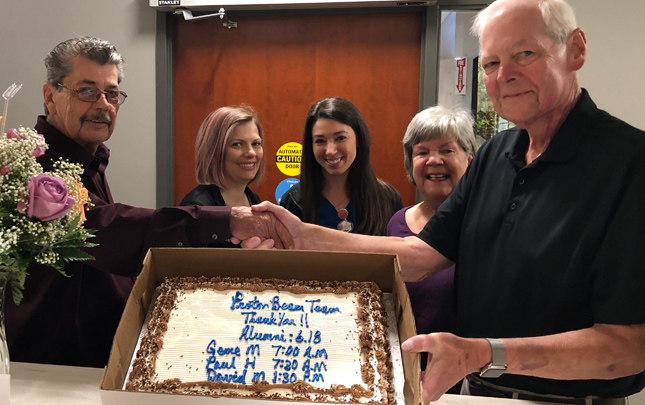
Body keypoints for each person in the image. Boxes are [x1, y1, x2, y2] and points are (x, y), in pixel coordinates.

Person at [242, 1, 645, 403]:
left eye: (525, 53)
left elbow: (630, 346)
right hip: (477, 391)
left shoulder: (629, 163)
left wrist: (486, 353)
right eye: (489, 63)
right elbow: (419, 256)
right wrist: (303, 237)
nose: (505, 75)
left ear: (575, 50)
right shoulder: (495, 155)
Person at [5, 37, 290, 368]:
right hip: (46, 370)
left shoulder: (89, 162)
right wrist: (227, 221)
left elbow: (104, 264)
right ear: (50, 96)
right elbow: (103, 229)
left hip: (87, 362)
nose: (103, 104)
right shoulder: (36, 165)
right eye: (86, 90)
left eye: (112, 93)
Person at [386, 106, 476, 373]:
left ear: (470, 160)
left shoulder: (486, 225)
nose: (433, 160)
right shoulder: (397, 222)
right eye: (422, 152)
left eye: (447, 150)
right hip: (405, 372)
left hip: (469, 378)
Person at [279, 97, 403, 235]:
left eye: (340, 138)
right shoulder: (293, 201)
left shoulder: (387, 198)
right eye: (320, 141)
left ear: (358, 139)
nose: (330, 150)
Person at [180, 105, 264, 209]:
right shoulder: (197, 209)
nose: (251, 153)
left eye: (256, 144)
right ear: (213, 151)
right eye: (237, 144)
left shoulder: (253, 199)